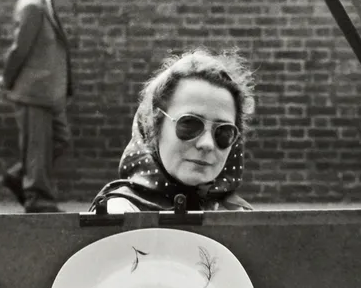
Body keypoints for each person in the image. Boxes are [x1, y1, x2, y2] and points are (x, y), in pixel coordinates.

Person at [89, 48, 255, 214]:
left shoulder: (238, 215)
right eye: (189, 124)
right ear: (154, 127)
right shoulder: (121, 213)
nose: (207, 144)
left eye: (224, 132)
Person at [0, 0, 72, 213]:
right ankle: (38, 200)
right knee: (38, 147)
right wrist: (6, 80)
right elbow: (20, 49)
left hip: (49, 91)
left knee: (59, 140)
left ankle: (19, 176)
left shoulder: (44, 0)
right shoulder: (33, 4)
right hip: (34, 90)